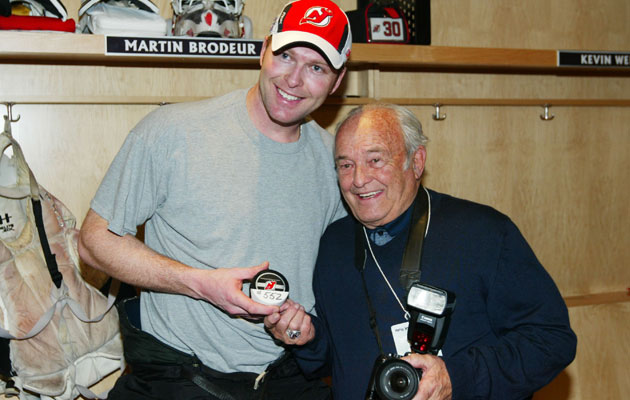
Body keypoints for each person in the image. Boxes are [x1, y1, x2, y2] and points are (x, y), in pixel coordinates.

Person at [77, 1, 352, 398]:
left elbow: (339, 281)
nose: (294, 79)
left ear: (337, 81)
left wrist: (305, 328)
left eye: (316, 68)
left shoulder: (338, 165)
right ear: (264, 50)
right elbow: (92, 242)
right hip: (179, 378)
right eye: (286, 55)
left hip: (288, 379)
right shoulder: (172, 133)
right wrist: (200, 284)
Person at [265, 103, 577, 399]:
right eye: (346, 165)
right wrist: (307, 338)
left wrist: (457, 379)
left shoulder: (484, 233)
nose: (358, 180)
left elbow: (552, 341)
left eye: (375, 160)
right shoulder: (335, 243)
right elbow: (338, 359)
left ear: (416, 162)